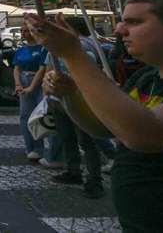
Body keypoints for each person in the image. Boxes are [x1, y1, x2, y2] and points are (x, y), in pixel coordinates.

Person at [27, 0, 163, 231]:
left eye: (134, 22)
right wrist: (70, 95)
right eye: (123, 20)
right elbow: (103, 128)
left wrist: (72, 54)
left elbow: (145, 135)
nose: (119, 30)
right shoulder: (146, 77)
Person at [40, 17, 106, 199]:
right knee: (67, 136)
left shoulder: (85, 48)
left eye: (62, 27)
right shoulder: (54, 48)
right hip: (57, 100)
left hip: (81, 101)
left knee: (86, 140)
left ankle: (94, 180)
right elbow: (48, 69)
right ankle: (73, 171)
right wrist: (46, 88)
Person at [12, 26, 48, 161]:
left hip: (38, 83)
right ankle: (30, 147)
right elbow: (16, 68)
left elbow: (42, 69)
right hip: (23, 82)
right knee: (25, 116)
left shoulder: (43, 49)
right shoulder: (21, 50)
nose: (23, 33)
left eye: (26, 30)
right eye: (21, 31)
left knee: (40, 116)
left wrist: (32, 87)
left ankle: (40, 148)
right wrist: (17, 84)